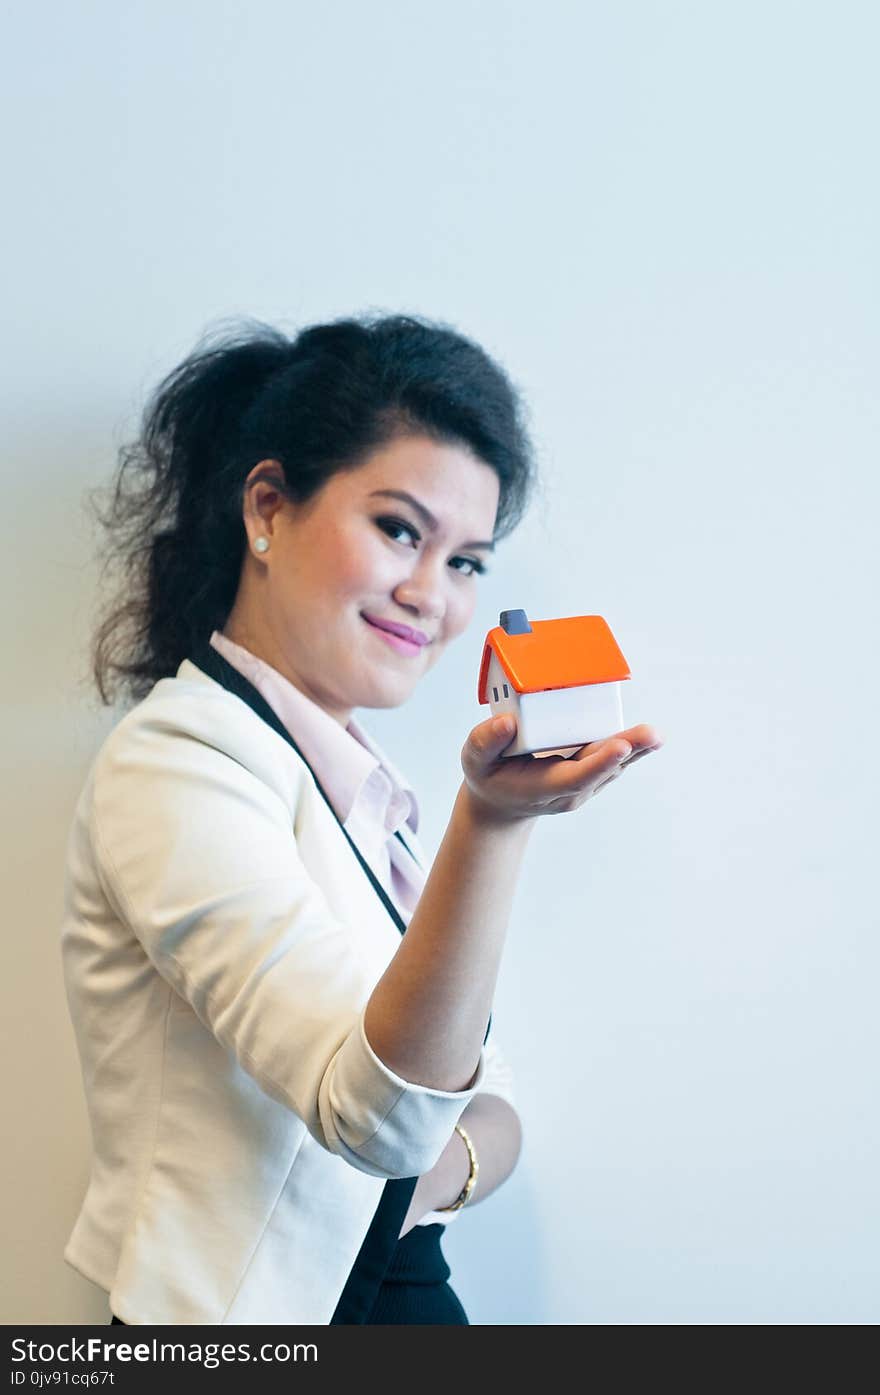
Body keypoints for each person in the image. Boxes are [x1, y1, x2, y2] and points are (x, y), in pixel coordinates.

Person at [60, 311, 664, 1325]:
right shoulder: (176, 769)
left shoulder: (356, 786)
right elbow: (385, 1121)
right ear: (267, 507)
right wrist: (495, 822)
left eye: (467, 561)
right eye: (398, 529)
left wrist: (441, 1165)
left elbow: (485, 1095)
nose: (431, 595)